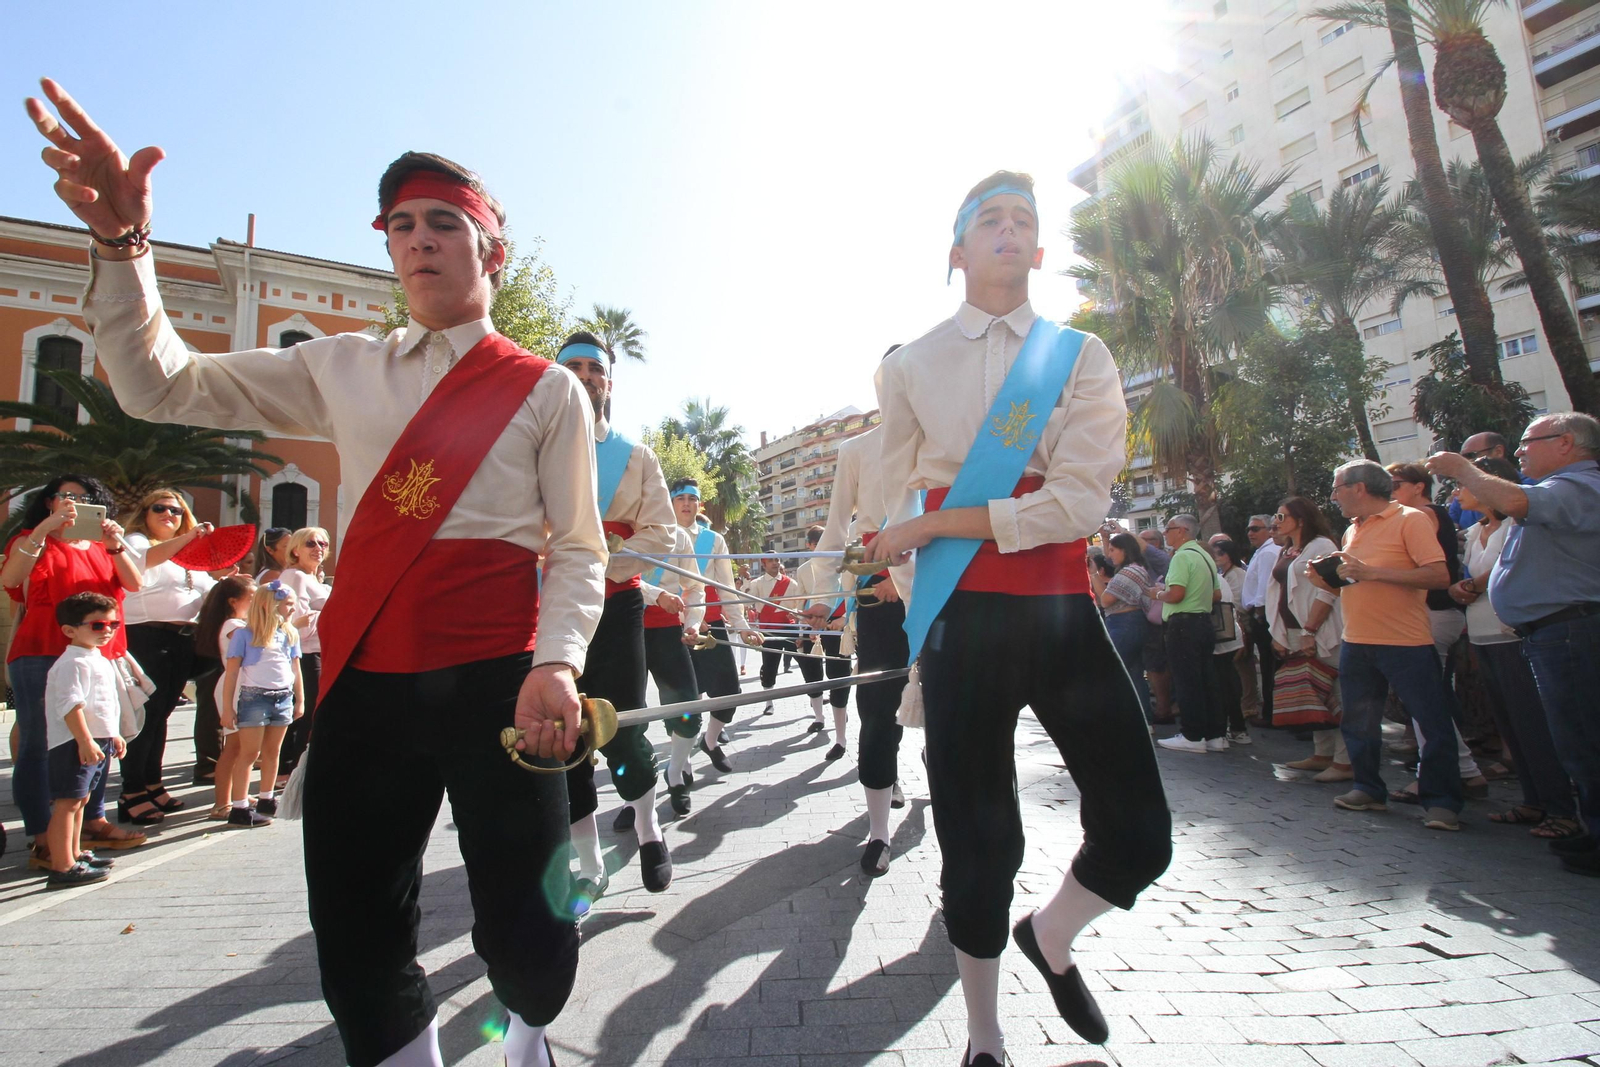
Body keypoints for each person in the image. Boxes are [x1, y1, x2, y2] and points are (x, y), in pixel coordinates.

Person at [35, 79, 605, 1065]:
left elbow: (579, 548)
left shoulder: (547, 388)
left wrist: (555, 661)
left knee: (530, 932)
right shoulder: (344, 366)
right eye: (400, 225)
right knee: (354, 926)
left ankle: (530, 1032)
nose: (418, 238)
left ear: (490, 251)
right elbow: (162, 383)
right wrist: (125, 250)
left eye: (442, 222)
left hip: (499, 682)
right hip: (368, 684)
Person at [867, 170, 1171, 1061]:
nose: (1008, 230)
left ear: (1039, 252)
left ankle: (1054, 935)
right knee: (978, 838)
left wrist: (935, 521)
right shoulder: (909, 365)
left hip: (1064, 614)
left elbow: (1077, 506)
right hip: (963, 619)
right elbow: (893, 496)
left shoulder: (1080, 356)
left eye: (1023, 222)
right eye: (987, 220)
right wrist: (902, 546)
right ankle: (984, 1031)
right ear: (955, 252)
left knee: (1140, 831)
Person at [1427, 412, 1600, 875]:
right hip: (1551, 632)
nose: (1519, 451)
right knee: (1573, 738)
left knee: (1582, 737)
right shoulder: (1561, 488)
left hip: (1570, 630)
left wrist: (1463, 469)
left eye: (1527, 442)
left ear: (1565, 443)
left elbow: (1517, 502)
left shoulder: (1575, 486)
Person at [554, 332, 676, 900]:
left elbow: (663, 533)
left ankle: (650, 832)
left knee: (624, 725)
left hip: (616, 601)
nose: (584, 376)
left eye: (593, 368)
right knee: (564, 737)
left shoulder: (636, 455)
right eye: (572, 366)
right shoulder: (534, 445)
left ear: (608, 380)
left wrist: (602, 555)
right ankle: (586, 864)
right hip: (548, 607)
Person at [1310, 460, 1464, 831]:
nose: (1333, 497)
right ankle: (1367, 788)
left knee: (1432, 722)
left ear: (1359, 488)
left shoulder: (1411, 519)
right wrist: (1325, 579)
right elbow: (1355, 584)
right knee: (1359, 722)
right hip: (1357, 640)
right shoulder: (1351, 531)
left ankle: (1443, 803)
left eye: (1337, 488)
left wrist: (1371, 572)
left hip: (1406, 641)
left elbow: (1440, 575)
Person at [2, 474, 144, 864]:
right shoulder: (34, 539)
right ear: (48, 502)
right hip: (41, 650)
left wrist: (116, 545)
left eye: (83, 498)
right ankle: (43, 835)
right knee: (39, 742)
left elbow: (134, 583)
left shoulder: (103, 546)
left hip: (99, 654)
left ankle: (91, 823)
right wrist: (45, 531)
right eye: (63, 496)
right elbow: (11, 578)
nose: (71, 503)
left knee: (98, 736)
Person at [1450, 457, 1577, 840]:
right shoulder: (1474, 532)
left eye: (1466, 483)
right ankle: (1533, 800)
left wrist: (1470, 587)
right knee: (1510, 726)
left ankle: (1562, 809)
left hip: (1513, 637)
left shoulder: (1517, 527)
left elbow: (1508, 567)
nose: (1458, 491)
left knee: (1533, 725)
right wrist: (1463, 587)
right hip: (1482, 636)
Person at [818, 417, 908, 876]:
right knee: (877, 704)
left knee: (945, 701)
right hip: (877, 594)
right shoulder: (857, 450)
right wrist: (820, 597)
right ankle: (879, 832)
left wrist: (904, 576)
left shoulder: (948, 430)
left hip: (946, 582)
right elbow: (838, 531)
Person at [1385, 463, 1488, 804]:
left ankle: (1437, 776)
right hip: (1435, 613)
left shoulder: (1421, 516)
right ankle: (1465, 772)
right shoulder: (1423, 515)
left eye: (1396, 484)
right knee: (1431, 701)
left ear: (1418, 486)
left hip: (1433, 613)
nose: (1390, 490)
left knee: (1426, 704)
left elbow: (1419, 569)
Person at [118, 488, 224, 813]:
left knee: (161, 717)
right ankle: (132, 792)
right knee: (146, 716)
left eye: (176, 511)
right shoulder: (136, 541)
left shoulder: (188, 557)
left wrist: (228, 584)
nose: (169, 515)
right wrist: (189, 537)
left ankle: (153, 783)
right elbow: (145, 562)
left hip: (181, 640)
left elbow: (207, 594)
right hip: (145, 637)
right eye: (160, 508)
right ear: (145, 513)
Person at [41, 592, 126, 888]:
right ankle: (62, 865)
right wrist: (85, 740)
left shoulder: (96, 658)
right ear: (69, 630)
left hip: (95, 740)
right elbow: (71, 705)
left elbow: (104, 702)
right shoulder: (72, 663)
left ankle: (76, 853)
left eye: (113, 624)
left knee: (82, 799)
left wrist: (112, 733)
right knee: (68, 802)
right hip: (73, 742)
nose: (108, 631)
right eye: (98, 625)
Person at [1265, 497, 1349, 781]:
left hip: (1320, 629)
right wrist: (1278, 633)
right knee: (1311, 692)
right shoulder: (1288, 549)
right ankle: (1322, 754)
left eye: (1281, 516)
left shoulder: (1323, 546)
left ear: (1301, 519)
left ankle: (1345, 761)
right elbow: (1277, 591)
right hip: (1292, 629)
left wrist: (1310, 630)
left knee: (1335, 693)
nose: (1276, 522)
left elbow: (1329, 590)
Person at [638, 496, 708, 818]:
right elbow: (610, 575)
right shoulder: (622, 529)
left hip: (667, 631)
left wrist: (692, 624)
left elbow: (695, 588)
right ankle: (635, 799)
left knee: (687, 714)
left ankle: (675, 773)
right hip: (622, 630)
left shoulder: (678, 537)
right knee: (626, 721)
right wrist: (657, 595)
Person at [220, 580, 303, 828]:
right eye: (288, 604)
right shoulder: (245, 634)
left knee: (273, 751)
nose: (292, 609)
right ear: (269, 605)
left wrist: (301, 699)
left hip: (283, 696)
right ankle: (240, 806)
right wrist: (227, 708)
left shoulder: (289, 633)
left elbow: (295, 668)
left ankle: (267, 797)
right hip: (254, 697)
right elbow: (232, 673)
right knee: (250, 753)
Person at [1152, 515, 1226, 753]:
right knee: (1208, 680)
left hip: (1183, 624)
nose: (1165, 534)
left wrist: (1158, 594)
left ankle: (1192, 735)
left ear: (1182, 531)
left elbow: (1176, 595)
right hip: (1203, 622)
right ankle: (1216, 735)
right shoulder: (1205, 555)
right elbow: (1216, 595)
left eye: (1169, 529)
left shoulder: (1182, 556)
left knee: (1187, 681)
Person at [272, 527, 331, 785]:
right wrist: (335, 613)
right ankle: (288, 770)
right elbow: (300, 625)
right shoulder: (294, 576)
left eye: (323, 543)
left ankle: (294, 767)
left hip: (319, 652)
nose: (318, 547)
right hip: (303, 654)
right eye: (311, 543)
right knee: (302, 713)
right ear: (295, 549)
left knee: (310, 713)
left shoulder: (312, 578)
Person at [195, 574, 256, 820]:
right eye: (252, 597)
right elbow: (253, 648)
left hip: (246, 686)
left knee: (244, 746)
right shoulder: (234, 626)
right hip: (235, 688)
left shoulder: (241, 624)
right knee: (233, 746)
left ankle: (236, 793)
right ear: (233, 601)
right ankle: (222, 803)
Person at [794, 525, 854, 760]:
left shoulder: (847, 560)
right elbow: (801, 600)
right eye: (817, 541)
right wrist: (804, 626)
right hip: (815, 628)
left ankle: (840, 738)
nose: (822, 545)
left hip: (845, 629)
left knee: (840, 679)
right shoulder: (803, 570)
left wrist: (843, 618)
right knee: (813, 675)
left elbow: (855, 593)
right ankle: (819, 717)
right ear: (809, 545)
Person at [1089, 532, 1155, 725]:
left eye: (1112, 550)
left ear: (1124, 550)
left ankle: (1114, 718)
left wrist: (1093, 574)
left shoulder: (1131, 571)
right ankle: (1143, 721)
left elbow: (1106, 600)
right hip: (1128, 623)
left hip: (1126, 623)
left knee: (1110, 669)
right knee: (1133, 674)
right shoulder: (1132, 570)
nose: (1109, 555)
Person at [1239, 514, 1282, 725]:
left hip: (1263, 617)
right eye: (1249, 529)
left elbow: (1266, 586)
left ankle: (1271, 714)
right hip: (1260, 615)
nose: (1250, 533)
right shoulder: (1263, 552)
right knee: (1267, 665)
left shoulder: (1268, 553)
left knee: (1269, 666)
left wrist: (1259, 613)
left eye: (1256, 529)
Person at [749, 556, 803, 716]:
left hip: (788, 628)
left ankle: (816, 698)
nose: (775, 563)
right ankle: (768, 702)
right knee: (769, 666)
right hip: (769, 629)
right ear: (763, 564)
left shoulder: (791, 583)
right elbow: (748, 602)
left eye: (777, 560)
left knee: (806, 660)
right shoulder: (756, 584)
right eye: (771, 560)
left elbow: (798, 604)